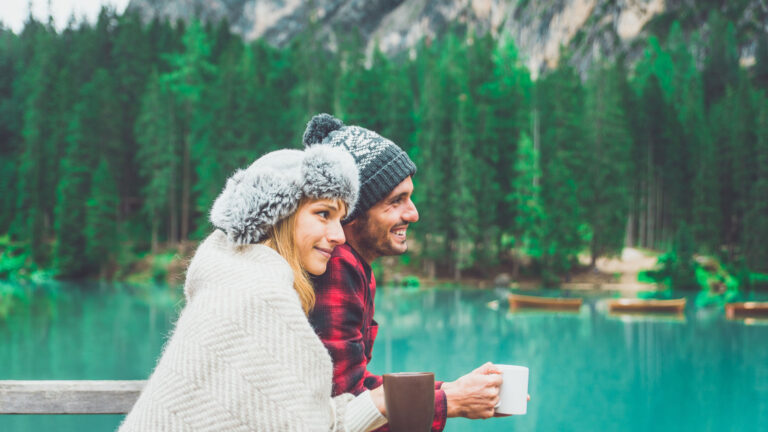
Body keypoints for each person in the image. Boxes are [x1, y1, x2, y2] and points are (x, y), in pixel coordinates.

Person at [119, 145, 388, 431]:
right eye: (323, 214)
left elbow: (292, 418)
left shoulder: (232, 281)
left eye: (340, 219)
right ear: (278, 214)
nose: (338, 236)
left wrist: (380, 403)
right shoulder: (260, 298)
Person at [303, 114, 504, 432]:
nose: (413, 213)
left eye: (409, 197)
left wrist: (456, 391)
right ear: (351, 213)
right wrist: (450, 402)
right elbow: (346, 408)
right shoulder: (335, 266)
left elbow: (360, 384)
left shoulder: (354, 263)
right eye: (396, 201)